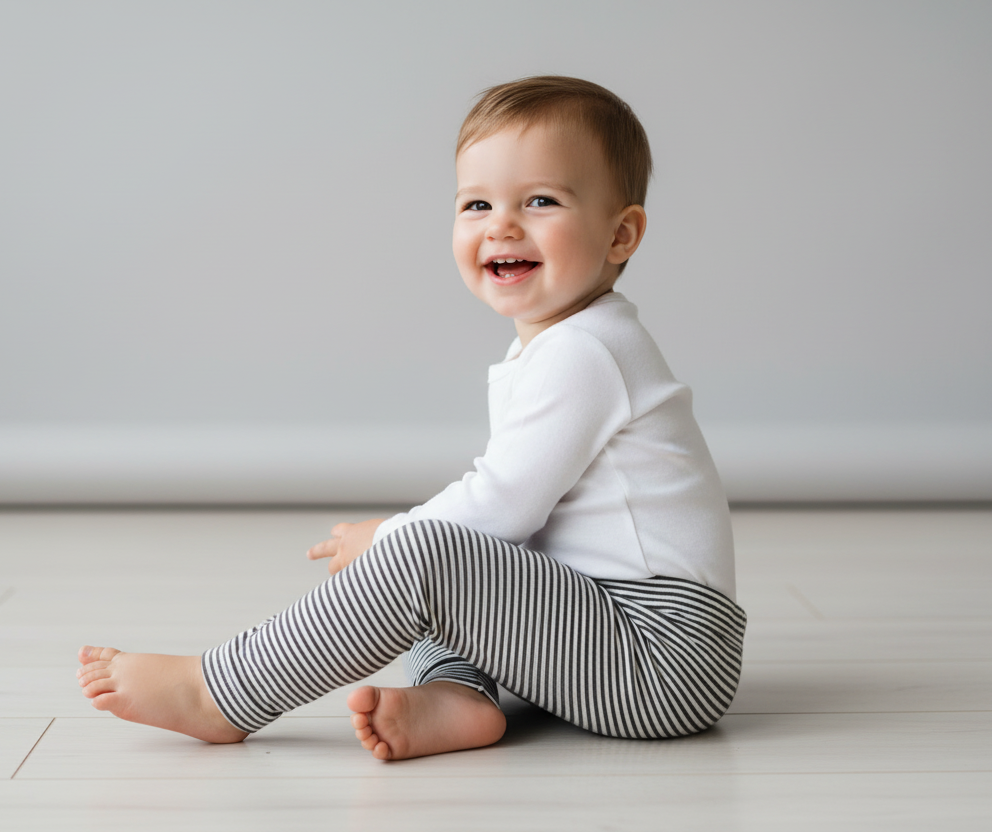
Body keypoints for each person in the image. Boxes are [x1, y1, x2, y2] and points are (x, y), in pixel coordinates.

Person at [76, 75, 746, 761]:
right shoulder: (562, 346)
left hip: (661, 658)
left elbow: (501, 504)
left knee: (431, 549)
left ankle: (222, 692)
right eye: (477, 203)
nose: (501, 225)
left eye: (541, 201)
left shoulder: (585, 352)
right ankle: (459, 696)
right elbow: (506, 533)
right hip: (611, 632)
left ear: (621, 234)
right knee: (462, 551)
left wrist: (392, 537)